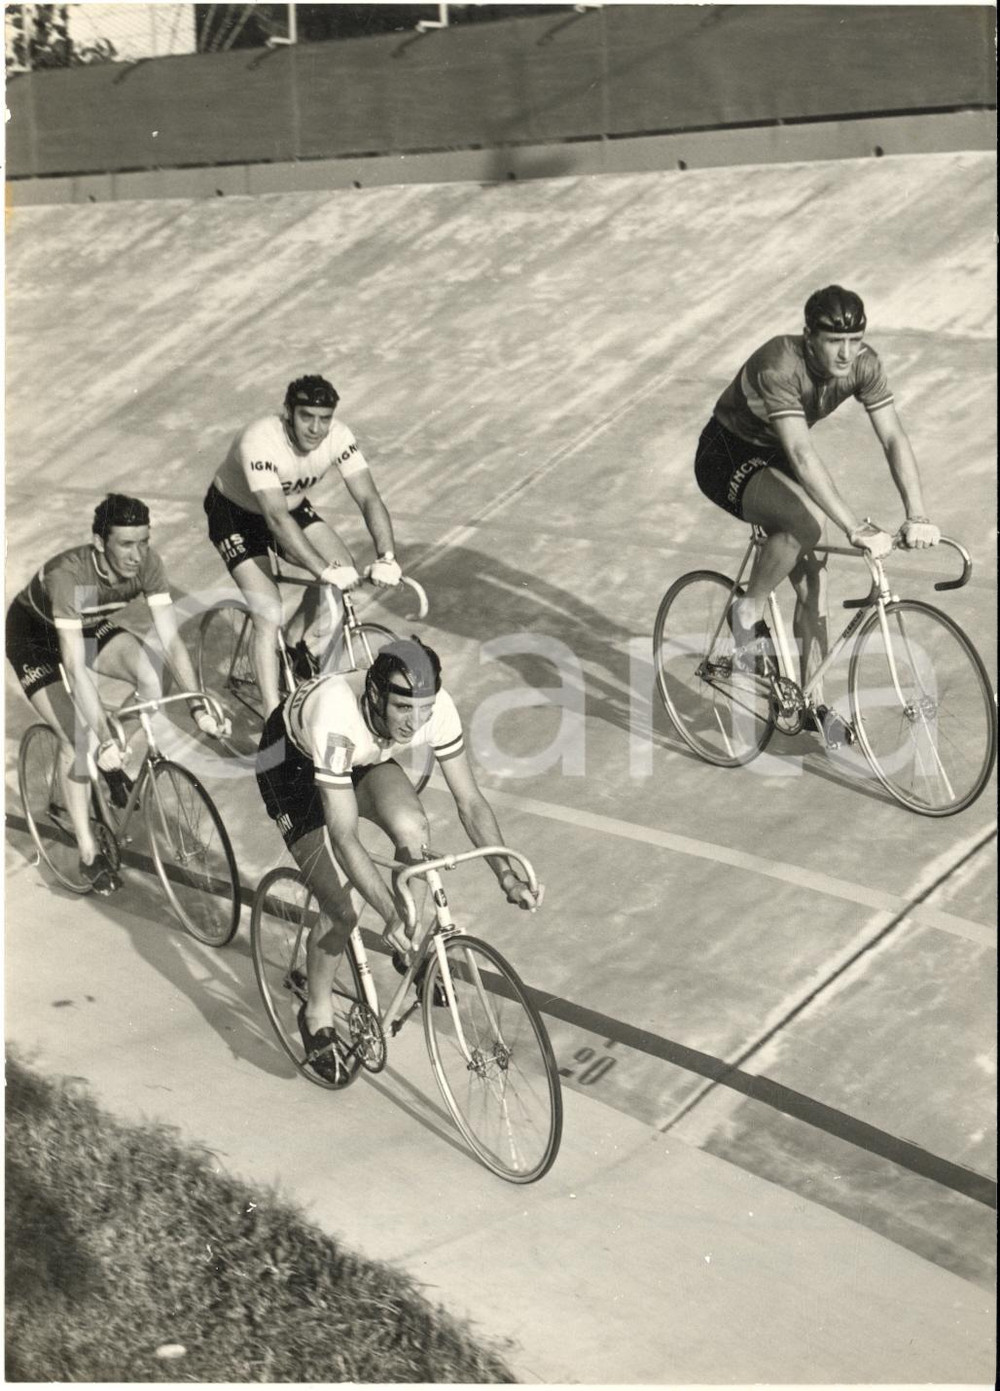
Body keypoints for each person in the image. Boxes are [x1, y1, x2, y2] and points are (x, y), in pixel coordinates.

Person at [256, 636, 542, 1083]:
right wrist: (386, 911)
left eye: (423, 710)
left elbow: (470, 801)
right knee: (341, 909)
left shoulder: (434, 707)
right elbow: (344, 834)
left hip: (363, 756)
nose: (415, 722)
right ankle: (316, 1013)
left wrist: (506, 875)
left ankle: (406, 943)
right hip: (291, 765)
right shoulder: (337, 713)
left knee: (414, 828)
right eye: (404, 709)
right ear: (374, 696)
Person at [693, 285, 940, 738]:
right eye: (834, 342)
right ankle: (745, 614)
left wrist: (918, 514)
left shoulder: (863, 364)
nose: (847, 353)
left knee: (816, 585)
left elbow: (893, 438)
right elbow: (803, 456)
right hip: (725, 453)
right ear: (809, 338)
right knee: (807, 523)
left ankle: (812, 703)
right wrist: (854, 527)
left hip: (775, 452)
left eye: (855, 340)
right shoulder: (778, 365)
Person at [6, 493, 230, 894]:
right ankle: (89, 851)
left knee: (151, 677)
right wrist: (102, 736)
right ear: (99, 543)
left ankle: (111, 762)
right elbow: (75, 668)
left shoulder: (149, 564)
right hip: (35, 637)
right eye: (126, 544)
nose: (137, 554)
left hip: (86, 624)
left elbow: (172, 641)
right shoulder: (68, 576)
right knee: (77, 738)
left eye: (144, 541)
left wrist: (198, 706)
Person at [204, 374, 403, 718]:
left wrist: (387, 556)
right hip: (236, 514)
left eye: (324, 418)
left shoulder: (339, 437)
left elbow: (369, 497)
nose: (315, 428)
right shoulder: (260, 440)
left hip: (290, 507)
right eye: (306, 416)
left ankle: (294, 646)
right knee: (267, 610)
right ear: (287, 414)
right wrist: (323, 571)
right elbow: (276, 519)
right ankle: (273, 719)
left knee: (343, 565)